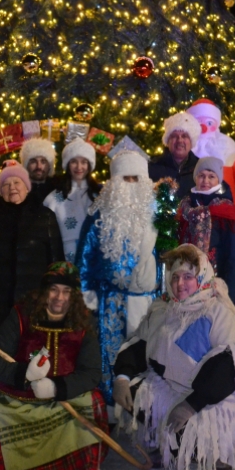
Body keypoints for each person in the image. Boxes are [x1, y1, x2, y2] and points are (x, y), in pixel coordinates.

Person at [113, 245, 235, 470]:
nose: (180, 284)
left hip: (207, 399)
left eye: (188, 277)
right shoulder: (163, 309)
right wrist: (122, 377)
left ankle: (211, 448)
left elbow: (231, 366)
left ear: (202, 278)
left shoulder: (219, 312)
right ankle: (170, 443)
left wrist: (190, 406)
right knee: (135, 392)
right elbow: (140, 345)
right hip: (170, 387)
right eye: (175, 277)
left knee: (195, 434)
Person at [0, 262, 107, 470]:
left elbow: (92, 372)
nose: (59, 297)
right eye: (54, 289)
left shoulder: (83, 323)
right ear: (44, 291)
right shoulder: (21, 314)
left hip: (61, 400)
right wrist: (23, 374)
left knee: (94, 403)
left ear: (74, 296)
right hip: (19, 398)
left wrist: (57, 387)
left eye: (66, 291)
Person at [77, 150, 160, 405]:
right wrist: (86, 291)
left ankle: (144, 406)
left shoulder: (159, 215)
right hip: (111, 300)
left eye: (136, 179)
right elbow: (85, 254)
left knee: (147, 352)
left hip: (148, 300)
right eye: (125, 179)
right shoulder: (99, 214)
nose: (131, 185)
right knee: (110, 352)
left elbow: (169, 255)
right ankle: (111, 407)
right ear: (114, 181)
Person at [0, 160, 64, 339]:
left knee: (31, 357)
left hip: (33, 301)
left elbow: (56, 261)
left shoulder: (45, 216)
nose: (12, 188)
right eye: (6, 184)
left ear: (26, 186)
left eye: (16, 182)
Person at [176, 156, 235, 303]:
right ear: (195, 178)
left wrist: (228, 297)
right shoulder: (184, 209)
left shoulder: (227, 212)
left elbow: (234, 258)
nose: (205, 181)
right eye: (201, 176)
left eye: (211, 176)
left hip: (215, 291)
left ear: (218, 180)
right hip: (184, 289)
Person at [43, 138, 101, 262]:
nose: (79, 167)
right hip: (64, 253)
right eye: (74, 161)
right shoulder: (56, 197)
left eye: (84, 162)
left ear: (89, 165)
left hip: (93, 252)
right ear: (67, 165)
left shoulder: (98, 195)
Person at [186, 99, 235, 204]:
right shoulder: (184, 155)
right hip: (190, 213)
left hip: (225, 214)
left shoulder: (228, 153)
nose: (203, 128)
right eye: (197, 123)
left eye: (209, 123)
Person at [148, 111, 201, 199]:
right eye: (174, 136)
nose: (180, 140)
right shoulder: (152, 167)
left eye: (184, 136)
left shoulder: (201, 169)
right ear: (167, 141)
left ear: (191, 142)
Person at [20, 137, 57, 204]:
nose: (39, 166)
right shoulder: (19, 191)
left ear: (49, 166)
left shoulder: (57, 190)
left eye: (43, 162)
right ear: (26, 165)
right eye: (33, 162)